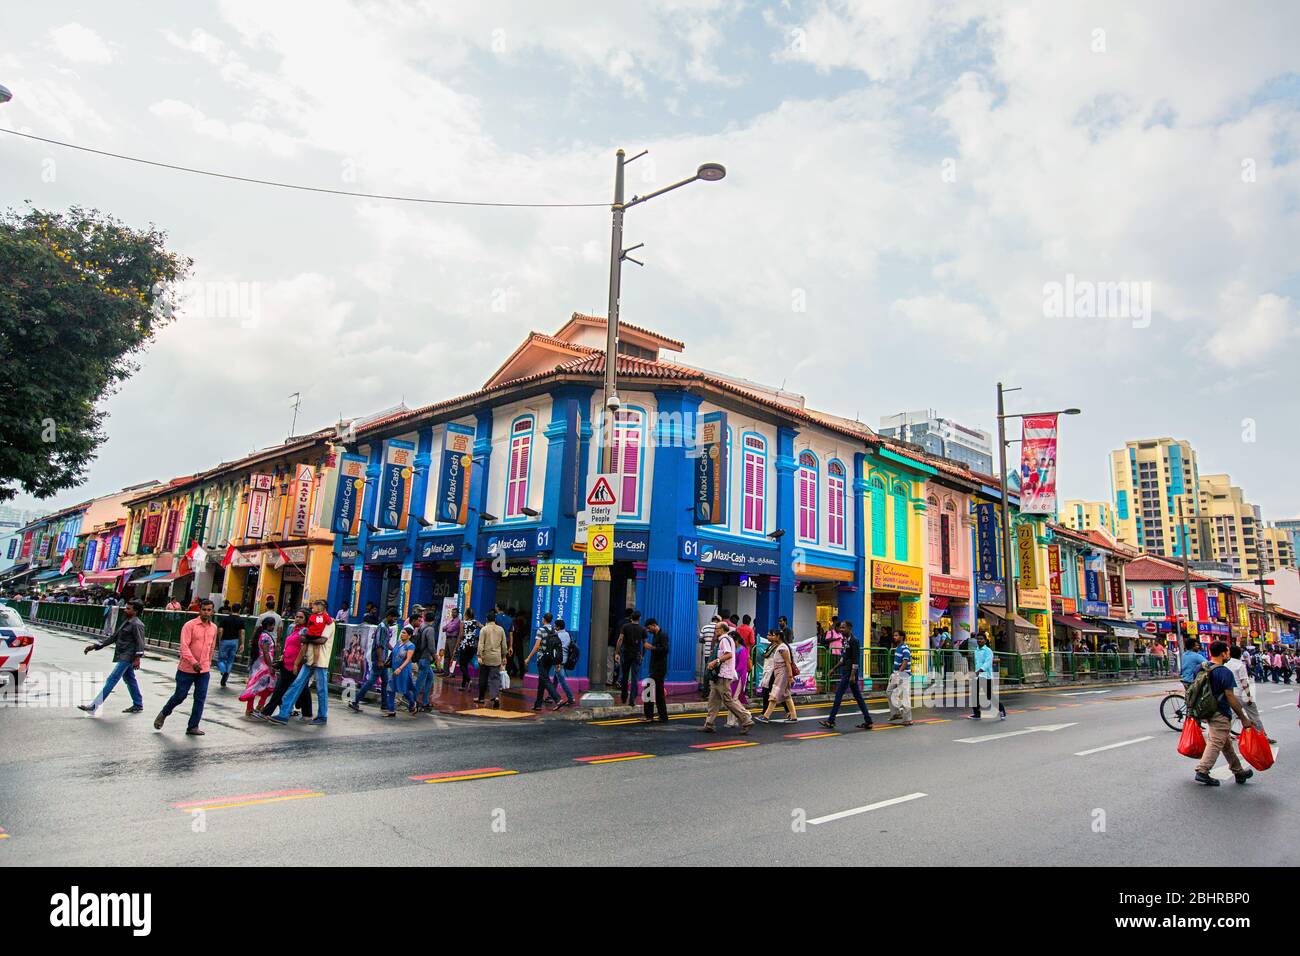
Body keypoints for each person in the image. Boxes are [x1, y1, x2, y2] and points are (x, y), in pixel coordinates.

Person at [1192, 640, 1258, 786]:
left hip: (1205, 710)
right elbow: (1230, 696)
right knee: (1216, 741)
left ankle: (1238, 771)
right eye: (1227, 651)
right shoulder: (1224, 672)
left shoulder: (1199, 668)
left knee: (1225, 742)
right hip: (1220, 711)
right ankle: (1202, 770)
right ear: (1223, 653)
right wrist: (1243, 717)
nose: (1228, 654)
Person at [154, 598, 218, 736]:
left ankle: (193, 726)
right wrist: (193, 662)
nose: (206, 613)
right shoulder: (190, 625)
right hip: (187, 668)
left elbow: (211, 647)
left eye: (209, 610)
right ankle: (164, 713)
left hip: (204, 670)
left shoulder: (213, 628)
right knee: (180, 695)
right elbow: (184, 646)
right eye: (204, 610)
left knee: (200, 698)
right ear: (199, 610)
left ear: (212, 611)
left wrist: (207, 662)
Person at [268, 602, 333, 725]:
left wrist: (306, 638)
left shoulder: (329, 623)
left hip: (321, 661)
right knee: (296, 685)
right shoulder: (314, 620)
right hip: (308, 659)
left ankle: (322, 716)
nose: (313, 608)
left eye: (315, 606)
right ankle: (284, 714)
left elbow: (322, 640)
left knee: (321, 689)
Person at [78, 599, 147, 715]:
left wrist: (137, 658)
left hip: (128, 656)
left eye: (128, 609)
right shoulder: (127, 621)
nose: (125, 610)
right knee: (130, 679)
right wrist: (95, 646)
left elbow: (140, 643)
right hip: (123, 655)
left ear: (135, 611)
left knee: (112, 679)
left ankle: (94, 706)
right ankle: (138, 704)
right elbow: (114, 637)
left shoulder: (137, 624)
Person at [257, 609, 312, 720]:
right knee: (286, 689)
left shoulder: (305, 631)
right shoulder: (293, 629)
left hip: (296, 665)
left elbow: (303, 649)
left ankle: (268, 712)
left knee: (294, 690)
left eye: (301, 617)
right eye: (297, 616)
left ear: (306, 619)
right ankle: (306, 714)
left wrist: (297, 663)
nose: (297, 619)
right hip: (286, 663)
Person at [699, 624, 754, 733]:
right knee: (713, 700)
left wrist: (716, 661)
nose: (715, 631)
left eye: (717, 629)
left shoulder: (724, 640)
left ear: (723, 630)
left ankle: (746, 719)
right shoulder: (724, 640)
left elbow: (728, 655)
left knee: (728, 700)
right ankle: (709, 723)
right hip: (719, 675)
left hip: (723, 675)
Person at [819, 621, 872, 731]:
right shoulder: (845, 640)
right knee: (858, 697)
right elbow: (844, 658)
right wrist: (833, 669)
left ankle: (831, 720)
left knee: (838, 695)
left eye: (843, 628)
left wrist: (853, 675)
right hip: (846, 671)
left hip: (850, 673)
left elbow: (856, 659)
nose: (841, 630)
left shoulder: (854, 641)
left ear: (849, 628)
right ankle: (868, 721)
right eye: (840, 628)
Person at [349, 608, 397, 716]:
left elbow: (385, 643)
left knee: (385, 682)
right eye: (394, 618)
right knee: (371, 681)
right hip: (379, 659)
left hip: (383, 660)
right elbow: (379, 645)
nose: (395, 620)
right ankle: (355, 701)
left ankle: (384, 704)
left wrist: (394, 649)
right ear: (389, 616)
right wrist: (380, 660)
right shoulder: (383, 627)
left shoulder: (386, 626)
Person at [1225, 644, 1274, 744]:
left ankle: (1224, 735)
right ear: (1240, 655)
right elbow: (1244, 683)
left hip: (1232, 694)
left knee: (1232, 715)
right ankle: (1263, 736)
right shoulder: (1240, 665)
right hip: (1242, 694)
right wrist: (1249, 696)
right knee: (1254, 716)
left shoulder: (1226, 665)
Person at [755, 630, 797, 723]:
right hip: (779, 673)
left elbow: (788, 663)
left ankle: (766, 716)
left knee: (774, 694)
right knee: (786, 696)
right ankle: (793, 716)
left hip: (782, 675)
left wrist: (790, 677)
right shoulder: (779, 647)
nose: (771, 637)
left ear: (778, 637)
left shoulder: (782, 648)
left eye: (773, 635)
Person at [525, 612, 564, 711]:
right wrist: (557, 663)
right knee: (542, 680)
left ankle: (557, 699)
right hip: (550, 659)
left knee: (545, 680)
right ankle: (538, 704)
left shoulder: (540, 630)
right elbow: (556, 647)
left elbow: (537, 646)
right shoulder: (554, 630)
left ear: (543, 619)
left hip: (542, 658)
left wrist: (529, 657)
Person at [239, 618, 278, 717]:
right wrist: (270, 666)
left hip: (258, 665)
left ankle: (252, 708)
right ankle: (258, 706)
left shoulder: (261, 635)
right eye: (272, 625)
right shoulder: (265, 636)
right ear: (269, 625)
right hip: (264, 666)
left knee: (255, 687)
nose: (273, 627)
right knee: (267, 686)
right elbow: (265, 652)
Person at [967, 634, 1006, 720]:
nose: (979, 640)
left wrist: (979, 671)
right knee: (974, 695)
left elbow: (988, 663)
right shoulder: (976, 651)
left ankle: (1001, 709)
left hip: (986, 677)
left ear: (985, 640)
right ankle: (977, 714)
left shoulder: (988, 651)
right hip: (977, 676)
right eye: (978, 639)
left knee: (989, 696)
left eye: (981, 639)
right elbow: (976, 663)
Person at [474, 611, 509, 708]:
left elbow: (481, 644)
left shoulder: (484, 630)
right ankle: (495, 697)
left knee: (483, 677)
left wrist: (479, 656)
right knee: (495, 678)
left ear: (487, 619)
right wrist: (504, 656)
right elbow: (504, 645)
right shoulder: (500, 629)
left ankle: (481, 698)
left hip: (486, 657)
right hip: (496, 658)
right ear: (495, 619)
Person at [615, 610, 646, 705]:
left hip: (626, 654)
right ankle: (632, 699)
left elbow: (620, 640)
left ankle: (624, 697)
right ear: (639, 618)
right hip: (636, 654)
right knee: (634, 677)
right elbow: (645, 644)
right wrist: (642, 655)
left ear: (631, 618)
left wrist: (617, 653)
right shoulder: (642, 629)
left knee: (624, 676)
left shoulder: (625, 627)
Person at [642, 618, 669, 723]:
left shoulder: (663, 635)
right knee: (658, 693)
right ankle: (662, 716)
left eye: (649, 628)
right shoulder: (655, 636)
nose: (648, 631)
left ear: (654, 625)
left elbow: (665, 649)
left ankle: (649, 716)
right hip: (655, 667)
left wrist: (651, 647)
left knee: (648, 689)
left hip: (659, 668)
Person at [413, 610, 439, 711]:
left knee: (430, 678)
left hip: (420, 657)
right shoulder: (430, 630)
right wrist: (436, 658)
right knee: (420, 681)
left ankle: (425, 701)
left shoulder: (421, 627)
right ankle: (413, 701)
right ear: (433, 620)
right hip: (425, 658)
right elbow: (431, 647)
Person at [390, 623, 418, 715]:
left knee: (404, 689)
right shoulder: (398, 643)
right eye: (402, 632)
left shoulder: (410, 646)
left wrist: (400, 668)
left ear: (409, 636)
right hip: (394, 669)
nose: (402, 634)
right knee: (391, 689)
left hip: (403, 670)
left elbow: (408, 659)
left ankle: (412, 703)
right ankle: (391, 710)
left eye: (404, 633)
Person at [887, 630, 913, 726]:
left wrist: (899, 673)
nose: (894, 637)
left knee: (904, 696)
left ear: (902, 637)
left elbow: (905, 661)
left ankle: (908, 719)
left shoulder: (905, 648)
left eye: (896, 635)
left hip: (903, 675)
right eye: (894, 635)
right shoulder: (897, 648)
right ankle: (896, 713)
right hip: (896, 674)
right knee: (889, 692)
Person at [726, 630, 751, 728]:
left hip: (739, 677)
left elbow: (741, 666)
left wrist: (733, 675)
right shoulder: (736, 649)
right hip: (734, 675)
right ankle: (732, 720)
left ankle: (745, 715)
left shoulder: (742, 650)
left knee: (733, 699)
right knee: (732, 699)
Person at [215, 604, 244, 688]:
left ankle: (223, 670)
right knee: (230, 660)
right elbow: (242, 633)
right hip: (235, 641)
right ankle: (227, 672)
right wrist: (242, 643)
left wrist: (220, 640)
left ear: (231, 609)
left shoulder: (225, 619)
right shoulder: (241, 620)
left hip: (225, 640)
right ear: (239, 610)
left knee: (221, 659)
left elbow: (220, 630)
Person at [550, 619, 577, 708]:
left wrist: (556, 662)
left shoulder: (557, 635)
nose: (554, 626)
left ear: (558, 627)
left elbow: (556, 650)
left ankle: (571, 697)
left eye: (555, 625)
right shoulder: (568, 634)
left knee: (562, 680)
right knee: (556, 678)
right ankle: (551, 696)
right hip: (565, 659)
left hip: (559, 661)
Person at [456, 608, 480, 691]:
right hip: (472, 646)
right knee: (465, 665)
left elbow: (461, 635)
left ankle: (469, 680)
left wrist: (457, 646)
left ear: (466, 614)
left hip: (464, 645)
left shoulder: (463, 623)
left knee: (462, 665)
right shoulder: (476, 622)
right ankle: (463, 685)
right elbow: (483, 628)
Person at [698, 614, 720, 695]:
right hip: (716, 654)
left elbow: (701, 639)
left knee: (707, 671)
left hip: (707, 653)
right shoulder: (718, 628)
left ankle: (705, 690)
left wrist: (706, 640)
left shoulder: (705, 627)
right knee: (716, 671)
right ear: (718, 620)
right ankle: (715, 690)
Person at [441, 606, 462, 676]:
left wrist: (447, 628)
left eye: (454, 612)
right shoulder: (451, 620)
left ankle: (452, 672)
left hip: (453, 639)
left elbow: (450, 629)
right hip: (448, 638)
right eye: (452, 612)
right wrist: (447, 628)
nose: (453, 614)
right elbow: (443, 628)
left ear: (457, 613)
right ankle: (445, 672)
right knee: (446, 656)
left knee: (453, 656)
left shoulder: (458, 621)